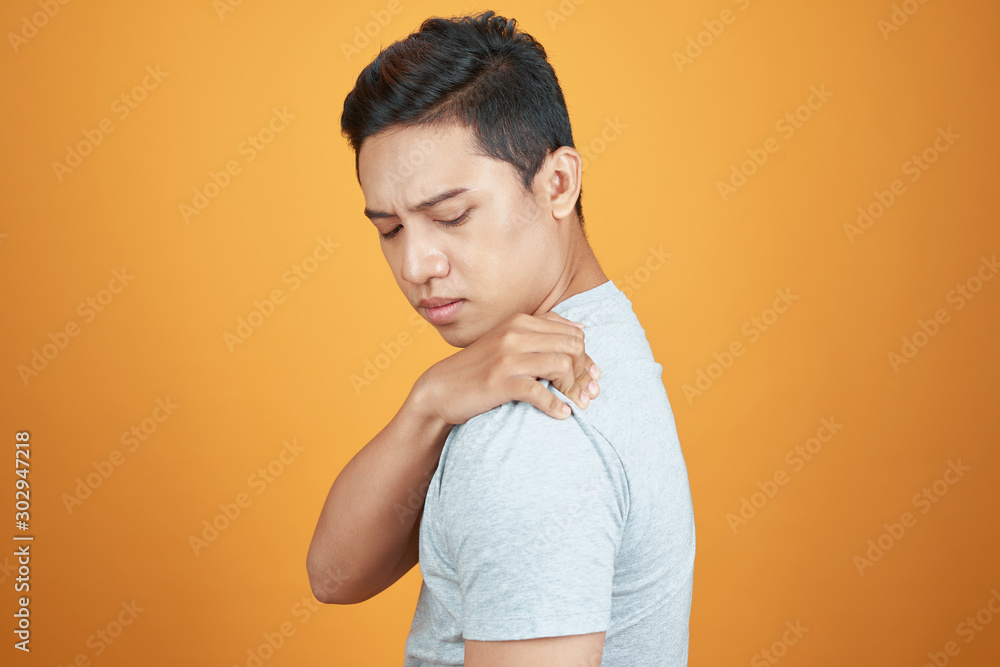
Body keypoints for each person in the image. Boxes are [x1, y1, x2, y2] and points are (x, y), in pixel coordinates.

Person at [306, 10, 695, 666]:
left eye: (450, 215)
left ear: (558, 184)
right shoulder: (600, 325)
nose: (415, 264)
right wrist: (427, 401)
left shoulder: (532, 430)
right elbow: (335, 576)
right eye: (390, 229)